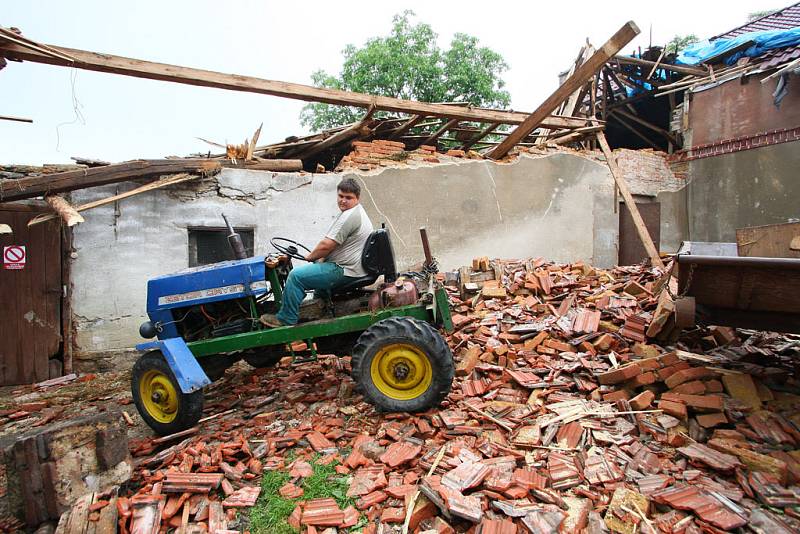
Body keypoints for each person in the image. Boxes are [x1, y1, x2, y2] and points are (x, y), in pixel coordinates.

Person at [260, 178, 374, 327]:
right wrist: (317, 258)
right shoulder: (354, 212)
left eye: (348, 198)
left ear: (357, 199)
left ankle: (286, 319)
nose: (343, 201)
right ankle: (320, 305)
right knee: (318, 263)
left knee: (295, 277)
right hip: (351, 267)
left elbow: (326, 245)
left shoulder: (350, 216)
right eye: (341, 196)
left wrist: (310, 256)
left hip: (346, 269)